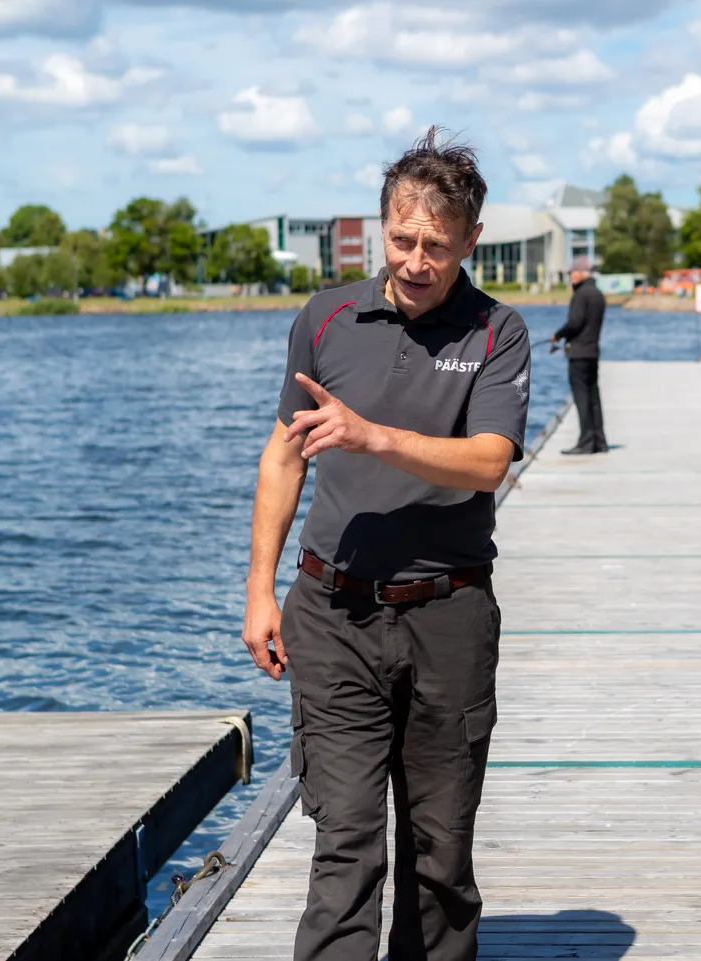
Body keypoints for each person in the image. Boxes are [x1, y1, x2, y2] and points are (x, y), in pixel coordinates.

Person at [241, 127, 531, 961]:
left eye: (436, 246)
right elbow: (282, 453)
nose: (414, 260)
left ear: (471, 241)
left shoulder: (496, 332)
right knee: (347, 847)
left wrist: (375, 437)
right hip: (330, 614)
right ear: (379, 228)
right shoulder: (325, 316)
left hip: (449, 617)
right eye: (401, 239)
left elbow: (487, 463)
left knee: (441, 857)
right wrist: (261, 589)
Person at [550, 255, 608, 454]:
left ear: (581, 273)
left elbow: (575, 323)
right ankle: (599, 441)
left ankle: (585, 442)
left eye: (572, 274)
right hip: (592, 352)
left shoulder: (581, 295)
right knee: (594, 398)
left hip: (578, 353)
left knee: (582, 398)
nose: (570, 278)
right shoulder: (598, 294)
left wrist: (557, 335)